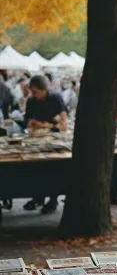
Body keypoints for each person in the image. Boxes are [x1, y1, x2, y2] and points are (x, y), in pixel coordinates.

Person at [23, 74, 68, 213]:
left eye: (36, 92)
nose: (34, 95)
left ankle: (52, 199)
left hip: (54, 139)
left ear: (44, 89)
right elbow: (28, 121)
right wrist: (35, 124)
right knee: (36, 168)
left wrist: (43, 125)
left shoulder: (55, 98)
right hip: (36, 138)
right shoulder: (31, 101)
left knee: (52, 168)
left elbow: (64, 124)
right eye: (32, 92)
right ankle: (38, 196)